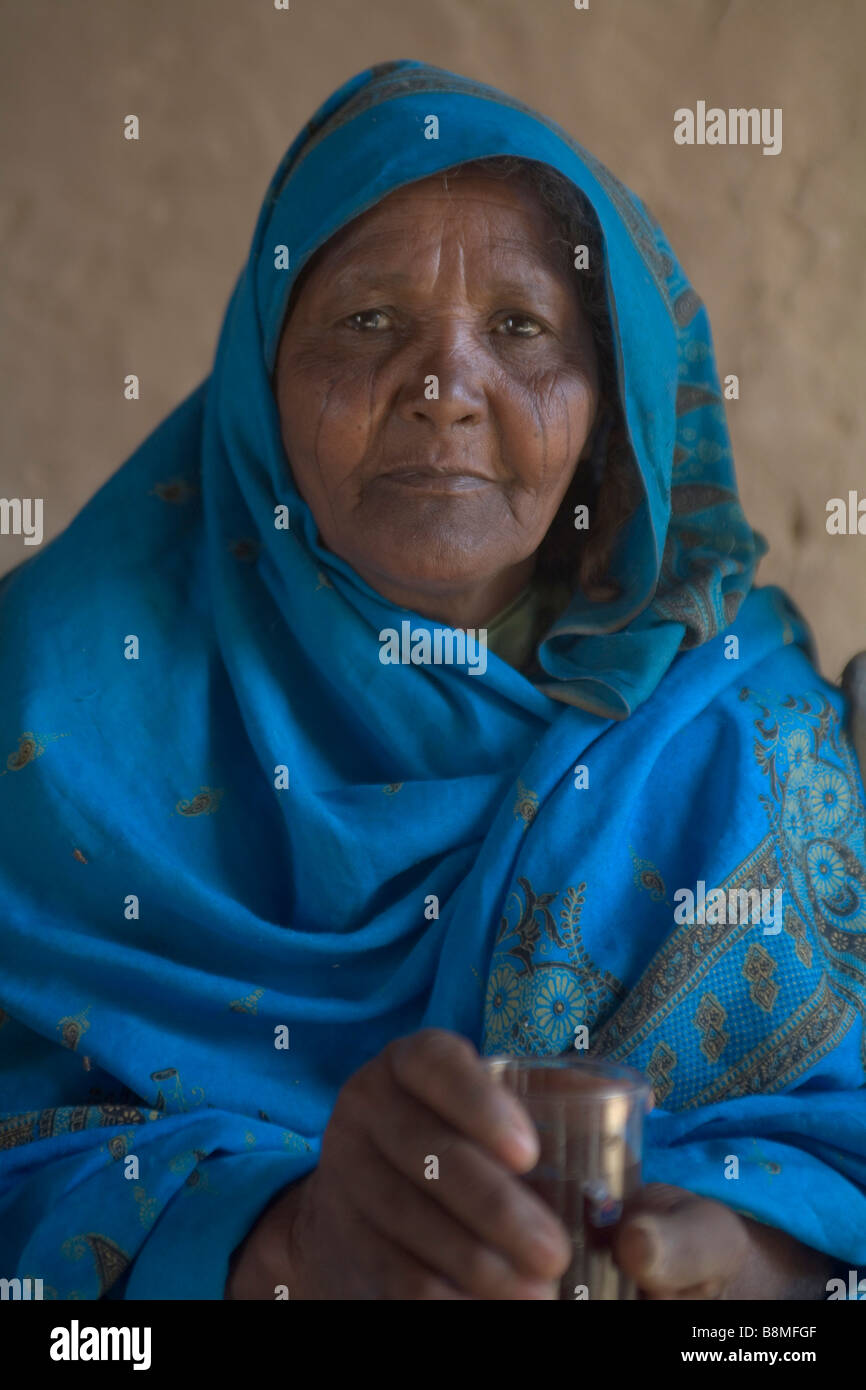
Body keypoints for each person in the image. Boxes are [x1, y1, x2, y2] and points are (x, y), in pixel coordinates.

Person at [1, 59, 864, 1302]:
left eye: (520, 328)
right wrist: (283, 1242)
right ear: (260, 376)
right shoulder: (54, 706)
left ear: (607, 399)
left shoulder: (736, 715)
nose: (444, 387)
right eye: (366, 321)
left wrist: (734, 1254)